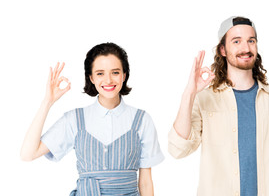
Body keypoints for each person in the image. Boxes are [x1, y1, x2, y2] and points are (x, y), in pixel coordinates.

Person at [168, 16, 269, 196]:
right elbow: (178, 149)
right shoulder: (204, 98)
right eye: (236, 41)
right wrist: (189, 93)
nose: (245, 48)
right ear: (223, 49)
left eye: (251, 41)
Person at [21, 42, 164, 196]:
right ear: (91, 78)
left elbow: (145, 182)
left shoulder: (142, 120)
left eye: (115, 72)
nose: (108, 80)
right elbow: (28, 154)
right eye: (100, 73)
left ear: (124, 75)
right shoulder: (74, 119)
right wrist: (47, 102)